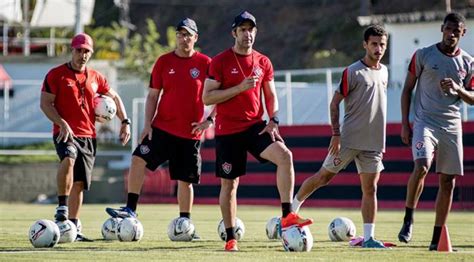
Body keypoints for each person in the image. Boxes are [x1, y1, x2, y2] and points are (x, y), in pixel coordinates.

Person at [202, 11, 312, 251]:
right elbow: (207, 96)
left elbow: (271, 96)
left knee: (285, 156)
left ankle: (287, 215)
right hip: (227, 130)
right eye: (242, 29)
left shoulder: (264, 61)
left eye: (251, 29)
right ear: (234, 33)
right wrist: (240, 87)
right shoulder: (219, 61)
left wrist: (273, 119)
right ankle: (231, 238)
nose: (247, 34)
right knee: (230, 185)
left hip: (254, 126)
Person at [105, 18, 213, 240]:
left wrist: (209, 121)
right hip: (161, 129)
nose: (184, 39)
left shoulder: (206, 63)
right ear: (176, 36)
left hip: (190, 134)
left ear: (196, 38)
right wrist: (147, 125)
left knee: (185, 181)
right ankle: (130, 209)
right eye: (180, 34)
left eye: (188, 35)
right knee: (137, 159)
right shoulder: (164, 62)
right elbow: (153, 96)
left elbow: (219, 96)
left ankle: (185, 223)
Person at [291, 25, 389, 248]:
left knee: (370, 189)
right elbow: (335, 103)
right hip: (348, 140)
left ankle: (369, 238)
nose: (378, 48)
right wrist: (336, 134)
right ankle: (291, 212)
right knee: (323, 177)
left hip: (373, 142)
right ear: (365, 45)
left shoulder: (384, 71)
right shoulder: (352, 71)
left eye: (382, 44)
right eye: (374, 44)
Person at [40, 33, 131, 241]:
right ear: (71, 51)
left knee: (80, 183)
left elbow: (114, 97)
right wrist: (61, 123)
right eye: (79, 50)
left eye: (86, 51)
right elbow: (45, 103)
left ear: (91, 53)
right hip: (65, 132)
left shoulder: (96, 77)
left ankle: (72, 226)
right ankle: (62, 207)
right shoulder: (56, 75)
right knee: (69, 158)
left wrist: (125, 122)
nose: (82, 54)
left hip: (89, 136)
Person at [398, 12, 473, 250]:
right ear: (442, 28)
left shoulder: (469, 62)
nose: (451, 34)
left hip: (451, 126)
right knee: (421, 166)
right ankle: (408, 218)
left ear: (463, 33)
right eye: (448, 29)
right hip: (424, 123)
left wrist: (458, 90)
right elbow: (407, 89)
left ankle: (436, 238)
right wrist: (404, 123)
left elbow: (472, 99)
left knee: (448, 182)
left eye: (456, 30)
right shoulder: (423, 55)